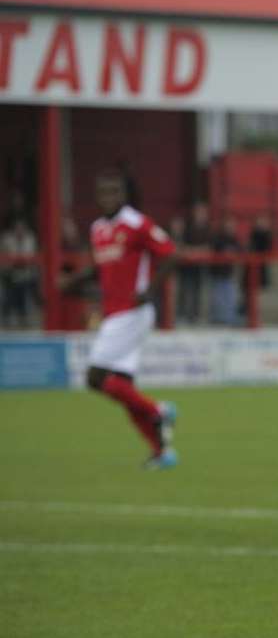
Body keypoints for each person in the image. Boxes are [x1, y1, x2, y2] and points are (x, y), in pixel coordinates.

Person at [58, 168, 179, 469]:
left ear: (124, 195)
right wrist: (73, 282)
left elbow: (171, 254)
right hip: (113, 312)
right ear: (97, 197)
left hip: (132, 312)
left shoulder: (136, 223)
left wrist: (149, 291)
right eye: (104, 192)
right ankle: (162, 452)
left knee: (95, 377)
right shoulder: (98, 228)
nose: (109, 197)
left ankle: (159, 410)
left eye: (115, 191)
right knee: (119, 386)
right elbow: (101, 267)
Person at [0, 215, 39, 328]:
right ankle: (6, 320)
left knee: (26, 285)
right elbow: (6, 258)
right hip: (10, 274)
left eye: (22, 228)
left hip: (25, 273)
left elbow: (29, 258)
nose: (19, 231)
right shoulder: (7, 239)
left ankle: (25, 319)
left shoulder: (30, 238)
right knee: (9, 294)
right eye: (17, 228)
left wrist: (20, 261)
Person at [177, 202, 211, 325]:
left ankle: (195, 315)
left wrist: (195, 251)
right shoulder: (188, 228)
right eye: (198, 212)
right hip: (187, 265)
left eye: (202, 212)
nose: (200, 215)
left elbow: (209, 248)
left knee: (197, 290)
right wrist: (195, 251)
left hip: (199, 266)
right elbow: (182, 247)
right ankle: (182, 314)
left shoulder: (208, 228)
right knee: (185, 289)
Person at [208, 215, 242, 326]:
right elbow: (213, 251)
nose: (230, 227)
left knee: (231, 297)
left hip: (229, 273)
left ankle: (230, 319)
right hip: (218, 273)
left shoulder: (235, 239)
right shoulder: (218, 238)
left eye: (232, 226)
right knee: (217, 298)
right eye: (228, 225)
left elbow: (240, 253)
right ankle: (217, 319)